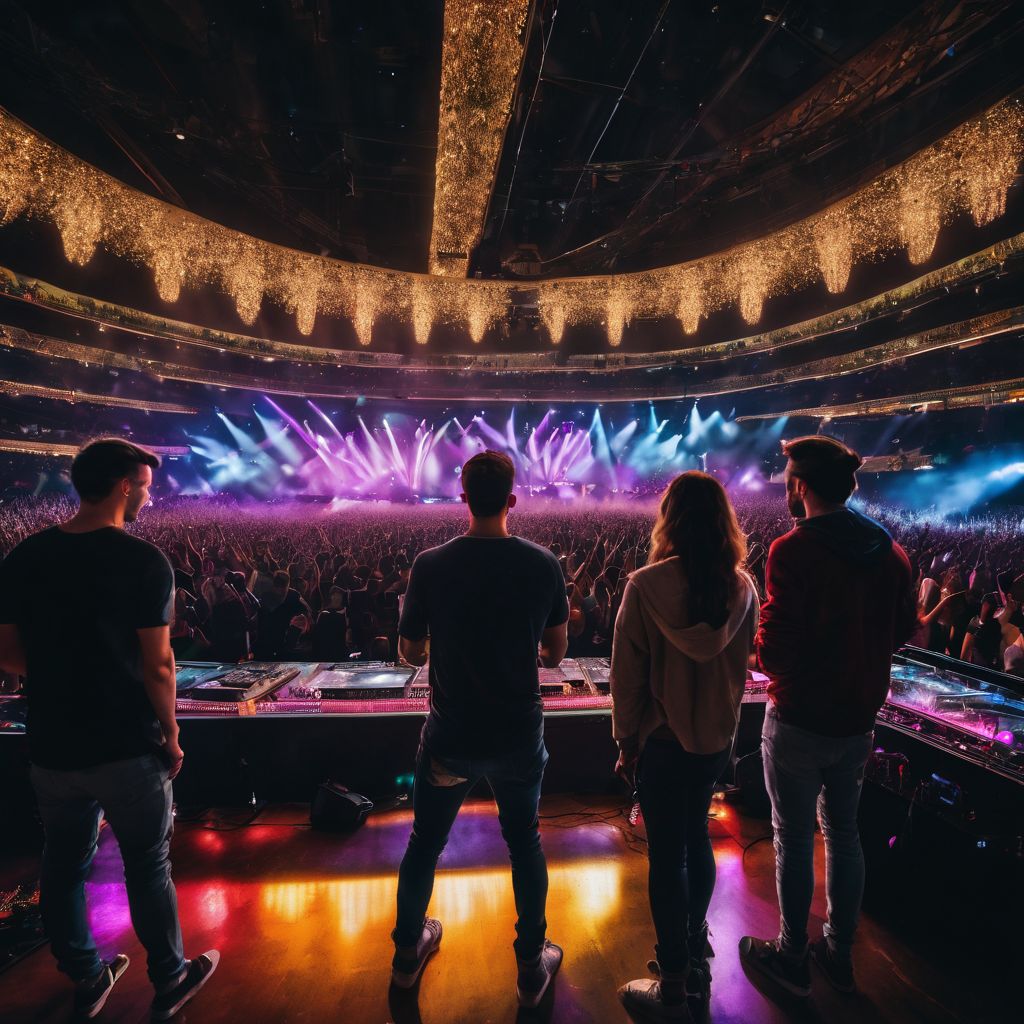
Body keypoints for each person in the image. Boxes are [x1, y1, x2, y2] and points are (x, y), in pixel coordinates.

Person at [0, 439, 219, 1020]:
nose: (151, 494)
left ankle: (87, 975)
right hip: (126, 745)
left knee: (63, 862)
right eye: (146, 484)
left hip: (51, 742)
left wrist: (58, 673)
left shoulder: (24, 556)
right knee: (147, 866)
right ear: (125, 486)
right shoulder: (144, 562)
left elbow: (7, 652)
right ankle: (171, 978)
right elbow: (159, 665)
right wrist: (171, 734)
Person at [390, 450, 569, 1008]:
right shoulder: (543, 564)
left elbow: (410, 652)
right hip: (518, 735)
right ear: (512, 499)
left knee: (425, 845)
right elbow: (556, 656)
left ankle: (404, 957)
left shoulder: (430, 565)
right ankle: (531, 965)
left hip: (449, 737)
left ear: (462, 496)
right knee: (525, 844)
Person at [740, 436, 917, 996]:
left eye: (789, 477)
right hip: (859, 721)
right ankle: (839, 953)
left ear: (802, 485)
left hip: (798, 719)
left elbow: (773, 654)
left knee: (793, 837)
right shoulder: (891, 552)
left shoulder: (792, 550)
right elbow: (905, 630)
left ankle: (792, 955)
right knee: (844, 834)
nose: (786, 486)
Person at [612, 472, 758, 1021]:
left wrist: (626, 742)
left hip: (663, 742)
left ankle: (672, 986)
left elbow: (628, 679)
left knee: (665, 856)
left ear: (668, 519)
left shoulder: (645, 586)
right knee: (696, 838)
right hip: (714, 743)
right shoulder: (743, 586)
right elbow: (743, 667)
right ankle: (694, 951)